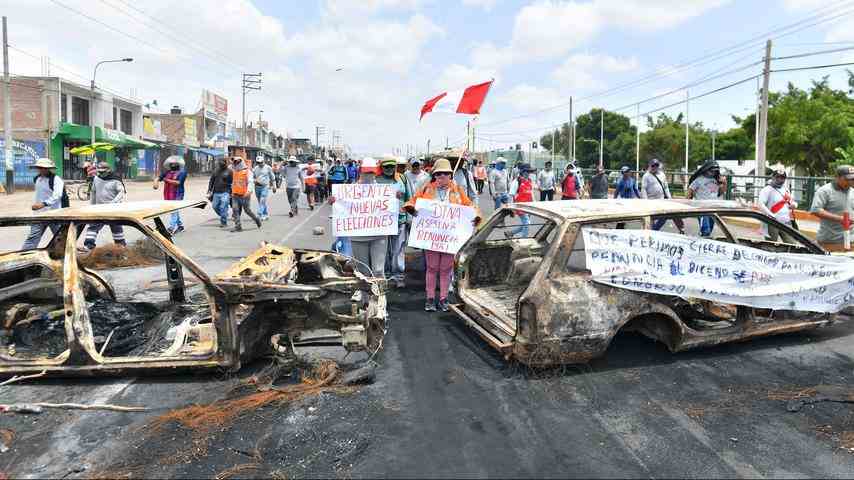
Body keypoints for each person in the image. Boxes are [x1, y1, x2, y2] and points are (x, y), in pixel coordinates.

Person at [404, 158, 480, 312]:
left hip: (450, 238)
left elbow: (470, 206)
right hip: (431, 237)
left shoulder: (458, 191)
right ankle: (430, 298)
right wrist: (412, 208)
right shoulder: (427, 189)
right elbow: (413, 201)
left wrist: (476, 215)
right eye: (439, 174)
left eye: (445, 174)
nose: (442, 177)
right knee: (431, 268)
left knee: (445, 269)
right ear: (434, 175)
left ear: (451, 175)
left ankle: (444, 298)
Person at [329, 157, 388, 302]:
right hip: (358, 237)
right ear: (360, 172)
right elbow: (342, 209)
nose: (369, 175)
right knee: (363, 271)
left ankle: (380, 299)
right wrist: (334, 201)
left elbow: (391, 207)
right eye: (366, 172)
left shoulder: (383, 190)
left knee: (378, 270)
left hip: (379, 236)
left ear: (376, 172)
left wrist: (395, 198)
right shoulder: (350, 190)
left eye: (371, 172)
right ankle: (366, 300)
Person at [378, 157, 412, 288]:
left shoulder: (402, 179)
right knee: (383, 249)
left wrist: (409, 217)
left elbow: (410, 198)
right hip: (382, 222)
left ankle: (398, 276)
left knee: (398, 249)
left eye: (392, 167)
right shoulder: (376, 180)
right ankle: (385, 274)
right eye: (386, 167)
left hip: (400, 219)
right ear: (382, 167)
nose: (389, 169)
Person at [21, 158, 66, 250]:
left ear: (48, 168)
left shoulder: (56, 179)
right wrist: (38, 205)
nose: (41, 169)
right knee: (33, 237)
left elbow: (57, 196)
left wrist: (44, 204)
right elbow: (39, 195)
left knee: (60, 237)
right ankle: (24, 254)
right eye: (40, 167)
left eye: (44, 168)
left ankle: (65, 255)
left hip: (54, 214)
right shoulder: (37, 179)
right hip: (39, 214)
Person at [84, 162, 127, 250]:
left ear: (108, 170)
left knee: (116, 228)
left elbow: (121, 192)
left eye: (103, 172)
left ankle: (121, 246)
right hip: (99, 208)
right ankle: (88, 245)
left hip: (113, 209)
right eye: (99, 172)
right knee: (93, 226)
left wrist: (113, 203)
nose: (100, 174)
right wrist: (92, 206)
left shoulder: (116, 180)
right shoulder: (96, 178)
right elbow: (93, 192)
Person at [810, 165, 854, 251]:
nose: (850, 182)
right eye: (847, 179)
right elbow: (816, 210)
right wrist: (840, 219)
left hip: (851, 239)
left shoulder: (852, 191)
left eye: (852, 179)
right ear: (837, 177)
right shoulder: (824, 191)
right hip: (830, 241)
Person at [642, 158, 685, 233]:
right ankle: (649, 233)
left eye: (656, 165)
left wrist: (669, 198)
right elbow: (643, 189)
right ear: (650, 166)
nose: (654, 167)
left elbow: (666, 187)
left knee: (666, 215)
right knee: (651, 218)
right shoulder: (646, 176)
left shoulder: (662, 174)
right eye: (653, 165)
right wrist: (645, 201)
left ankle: (655, 230)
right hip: (651, 200)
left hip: (662, 200)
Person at [686, 160, 726, 236]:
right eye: (711, 171)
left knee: (710, 229)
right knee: (705, 230)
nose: (713, 173)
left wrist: (724, 183)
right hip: (702, 209)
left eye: (715, 171)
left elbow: (720, 193)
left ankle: (702, 240)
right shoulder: (698, 180)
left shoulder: (716, 179)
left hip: (713, 208)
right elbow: (690, 190)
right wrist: (688, 203)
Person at [758, 169, 797, 241]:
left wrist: (794, 205)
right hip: (772, 222)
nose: (780, 180)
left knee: (791, 244)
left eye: (782, 178)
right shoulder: (767, 190)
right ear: (773, 177)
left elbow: (791, 201)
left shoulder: (786, 189)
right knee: (771, 245)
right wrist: (772, 216)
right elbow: (760, 205)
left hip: (786, 221)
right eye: (777, 177)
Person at [153, 157, 188, 235]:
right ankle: (180, 226)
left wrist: (166, 180)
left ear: (179, 164)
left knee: (173, 210)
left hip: (178, 195)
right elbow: (159, 178)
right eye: (171, 164)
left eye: (175, 163)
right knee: (174, 210)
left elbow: (178, 183)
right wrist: (156, 181)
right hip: (167, 194)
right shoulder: (167, 172)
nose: (173, 165)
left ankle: (171, 228)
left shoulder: (182, 172)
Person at [229, 156, 262, 232]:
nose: (236, 163)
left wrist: (249, 191)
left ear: (241, 162)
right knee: (235, 209)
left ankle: (256, 219)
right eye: (235, 162)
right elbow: (234, 182)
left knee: (247, 210)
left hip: (245, 195)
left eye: (237, 162)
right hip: (235, 194)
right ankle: (238, 226)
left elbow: (250, 182)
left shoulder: (247, 171)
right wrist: (231, 192)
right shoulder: (234, 171)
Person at [506, 163, 534, 238]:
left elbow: (531, 193)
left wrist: (534, 204)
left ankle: (510, 233)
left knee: (526, 224)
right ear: (522, 171)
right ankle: (523, 240)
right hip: (520, 207)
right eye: (527, 172)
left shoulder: (529, 181)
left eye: (529, 172)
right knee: (527, 223)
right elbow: (511, 195)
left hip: (529, 206)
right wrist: (511, 208)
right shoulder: (517, 181)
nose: (528, 174)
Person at [207, 156, 233, 228]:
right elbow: (211, 181)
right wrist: (209, 190)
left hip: (226, 192)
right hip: (216, 192)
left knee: (223, 206)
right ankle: (224, 215)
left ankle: (223, 222)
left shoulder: (230, 171)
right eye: (220, 163)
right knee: (214, 206)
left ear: (225, 163)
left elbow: (232, 182)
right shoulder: (215, 171)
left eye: (222, 163)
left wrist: (231, 192)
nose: (221, 164)